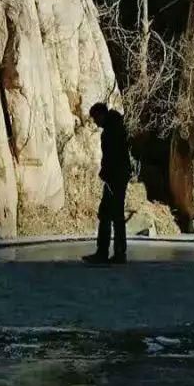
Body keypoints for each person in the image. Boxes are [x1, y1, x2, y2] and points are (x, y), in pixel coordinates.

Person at [83, 102, 131, 266]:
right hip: (116, 176)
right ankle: (114, 252)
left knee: (110, 214)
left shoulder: (112, 130)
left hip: (115, 178)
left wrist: (107, 173)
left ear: (101, 114)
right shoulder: (115, 127)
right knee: (111, 214)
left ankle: (109, 253)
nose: (95, 122)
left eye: (96, 118)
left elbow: (114, 156)